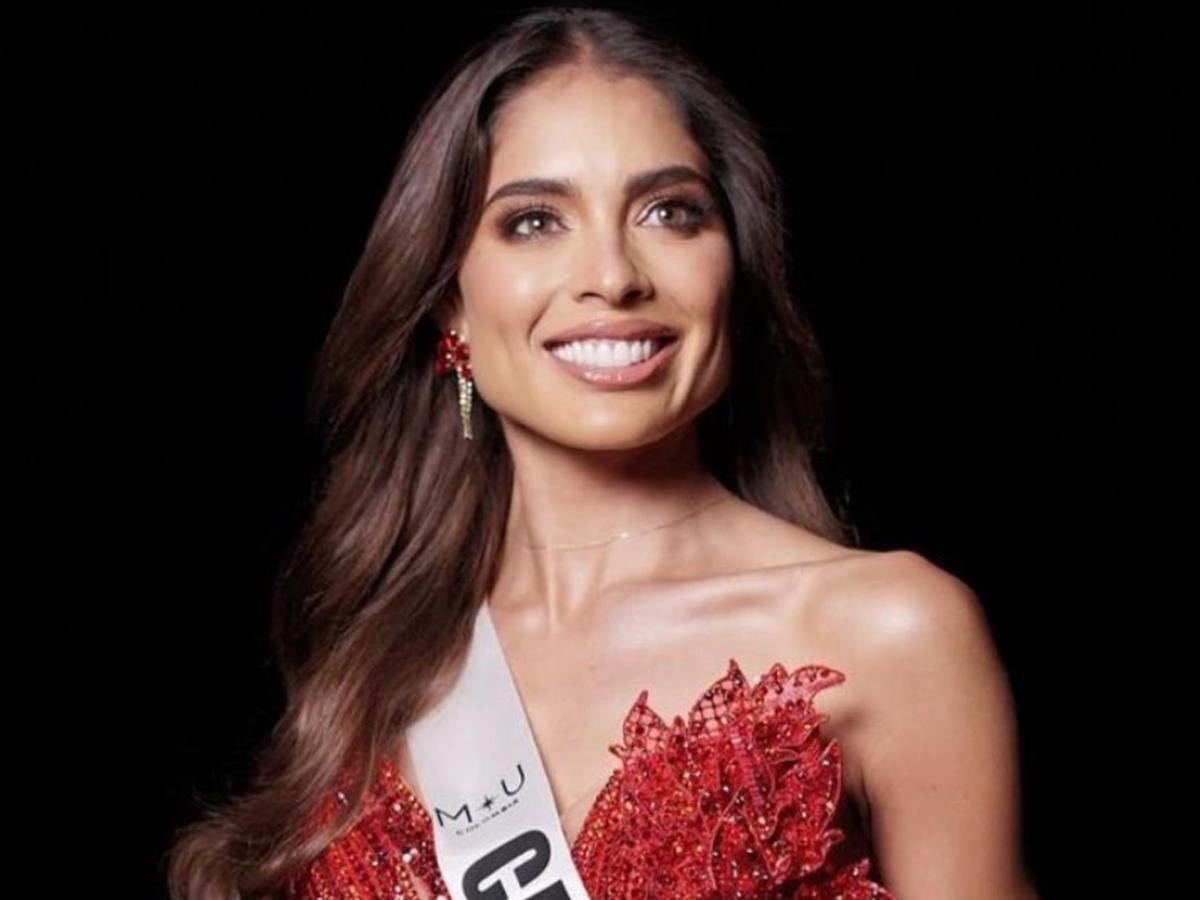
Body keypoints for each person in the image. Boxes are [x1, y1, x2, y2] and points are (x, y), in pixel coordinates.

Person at [168, 6, 1038, 899]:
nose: (614, 276)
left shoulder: (888, 631)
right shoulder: (379, 661)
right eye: (534, 222)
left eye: (670, 212)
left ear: (732, 270)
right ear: (449, 302)